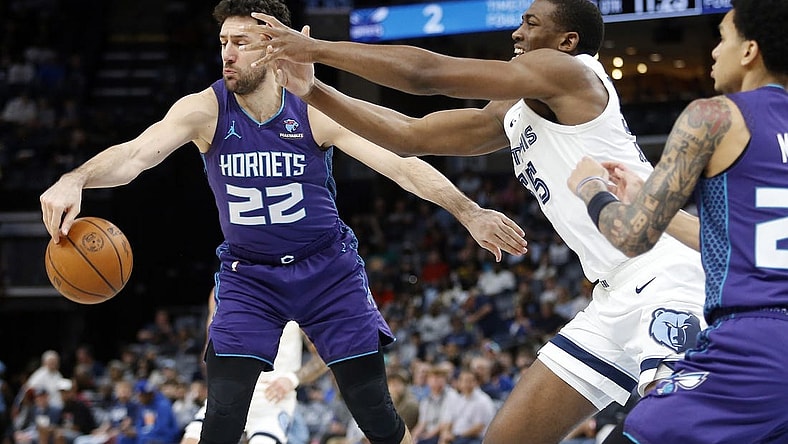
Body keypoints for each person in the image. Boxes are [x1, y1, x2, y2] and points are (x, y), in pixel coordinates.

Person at [38, 2, 528, 444]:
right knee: (222, 415)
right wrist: (76, 178)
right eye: (223, 43)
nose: (228, 54)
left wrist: (469, 211)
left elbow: (401, 164)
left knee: (374, 411)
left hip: (327, 270)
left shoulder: (314, 109)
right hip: (250, 275)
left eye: (241, 43)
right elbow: (135, 156)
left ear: (273, 48)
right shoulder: (204, 109)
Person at [248, 0, 709, 442]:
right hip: (612, 292)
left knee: (675, 427)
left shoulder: (571, 72)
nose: (517, 33)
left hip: (664, 273)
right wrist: (313, 90)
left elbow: (426, 74)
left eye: (531, 23)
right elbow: (409, 136)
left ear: (567, 41)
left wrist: (315, 48)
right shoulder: (513, 110)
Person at [566, 1, 788, 442]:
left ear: (750, 51)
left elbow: (632, 235)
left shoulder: (715, 116)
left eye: (722, 38)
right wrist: (652, 202)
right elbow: (734, 241)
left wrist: (590, 188)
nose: (714, 52)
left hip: (754, 344)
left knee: (632, 434)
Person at [180, 288, 328, 444]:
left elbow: (325, 353)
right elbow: (209, 352)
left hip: (270, 397)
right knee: (190, 440)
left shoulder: (297, 294)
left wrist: (292, 379)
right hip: (229, 392)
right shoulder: (222, 288)